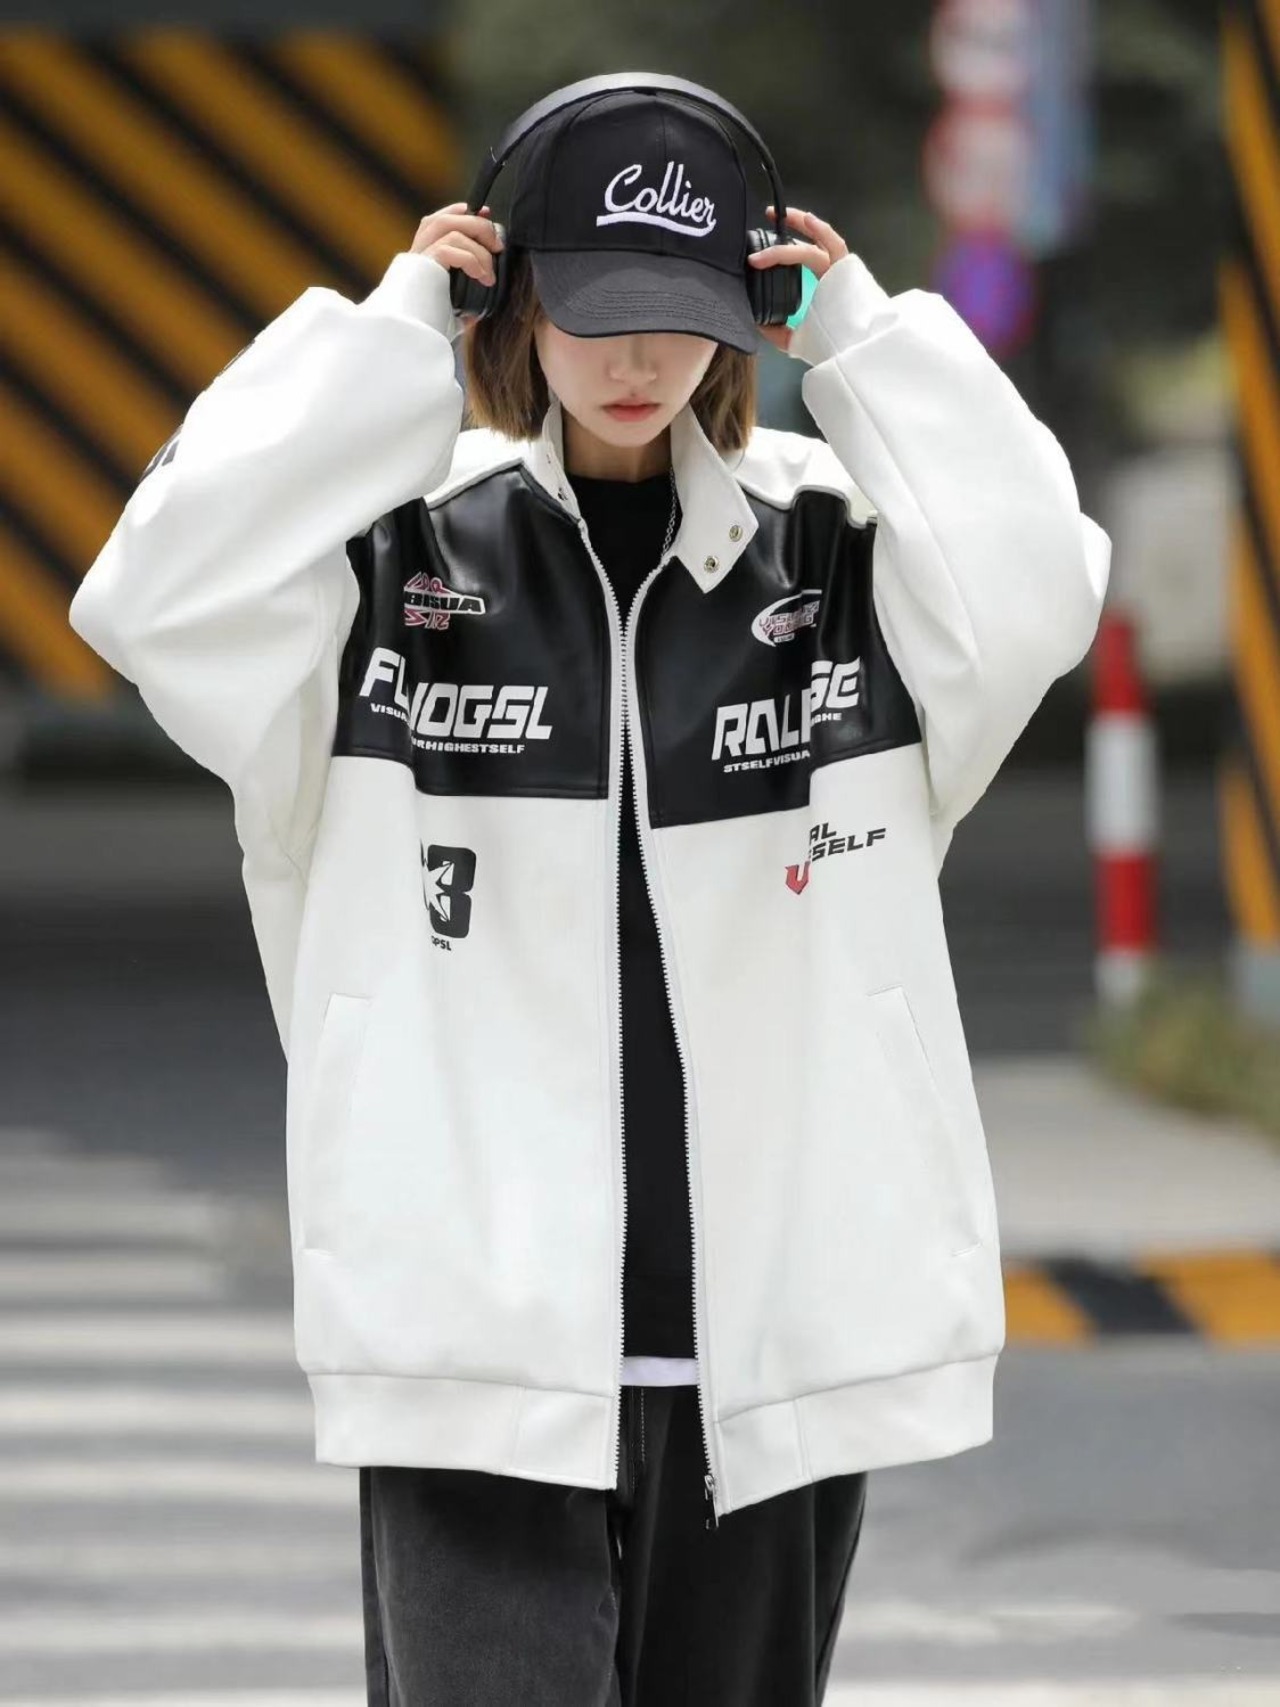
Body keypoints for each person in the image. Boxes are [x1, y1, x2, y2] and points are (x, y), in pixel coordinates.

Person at [68, 77, 1110, 1707]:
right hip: (468, 1346)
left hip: (766, 1361)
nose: (639, 360)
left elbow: (1043, 581)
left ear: (742, 317)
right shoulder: (380, 564)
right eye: (595, 310)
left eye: (682, 317)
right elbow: (152, 595)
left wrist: (866, 336)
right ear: (517, 296)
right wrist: (393, 338)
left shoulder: (841, 558)